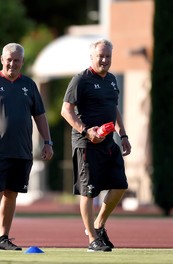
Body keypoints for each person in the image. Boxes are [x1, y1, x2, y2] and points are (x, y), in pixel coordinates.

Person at [0, 43, 54, 251]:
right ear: (2, 59)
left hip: (22, 150)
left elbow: (40, 116)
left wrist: (48, 141)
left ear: (22, 62)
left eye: (16, 60)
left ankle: (3, 237)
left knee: (11, 194)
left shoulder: (29, 85)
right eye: (9, 59)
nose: (12, 63)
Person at [60, 38, 132, 252]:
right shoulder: (80, 79)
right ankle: (92, 238)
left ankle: (99, 225)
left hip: (109, 143)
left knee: (120, 186)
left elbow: (114, 108)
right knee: (89, 192)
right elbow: (66, 111)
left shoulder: (111, 79)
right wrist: (86, 130)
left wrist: (124, 134)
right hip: (86, 144)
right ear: (92, 57)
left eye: (108, 56)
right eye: (100, 56)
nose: (104, 59)